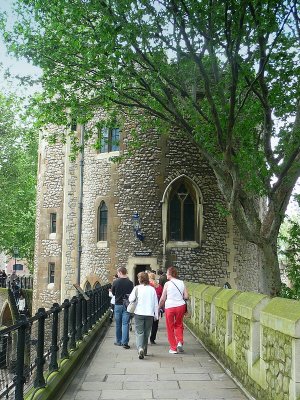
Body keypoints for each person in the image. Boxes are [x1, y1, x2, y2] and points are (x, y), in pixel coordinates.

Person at [158, 266, 188, 354]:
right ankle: (179, 342)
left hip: (170, 306)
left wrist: (159, 306)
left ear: (170, 274)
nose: (166, 274)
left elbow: (163, 298)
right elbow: (186, 296)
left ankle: (173, 348)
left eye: (167, 273)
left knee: (170, 327)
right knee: (179, 324)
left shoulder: (167, 284)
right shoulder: (182, 282)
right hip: (180, 306)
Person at [129, 272, 158, 359]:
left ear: (139, 279)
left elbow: (130, 299)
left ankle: (140, 348)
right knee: (146, 332)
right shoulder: (152, 289)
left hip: (139, 313)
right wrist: (156, 315)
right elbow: (155, 304)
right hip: (149, 314)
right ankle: (144, 350)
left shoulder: (136, 288)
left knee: (139, 332)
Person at [111, 267, 134, 349]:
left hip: (118, 304)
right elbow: (132, 294)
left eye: (118, 272)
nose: (117, 274)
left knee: (118, 324)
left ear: (120, 272)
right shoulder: (130, 283)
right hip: (127, 305)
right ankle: (125, 342)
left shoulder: (115, 282)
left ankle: (118, 341)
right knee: (125, 323)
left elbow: (113, 293)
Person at [148, 272, 163, 344]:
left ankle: (145, 338)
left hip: (149, 306)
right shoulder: (159, 286)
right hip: (157, 306)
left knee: (147, 323)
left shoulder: (148, 286)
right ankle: (152, 339)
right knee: (155, 324)